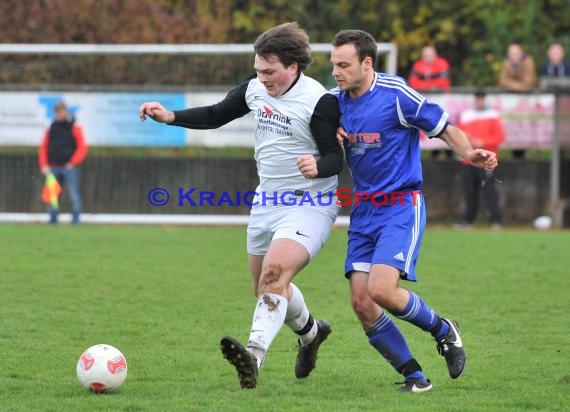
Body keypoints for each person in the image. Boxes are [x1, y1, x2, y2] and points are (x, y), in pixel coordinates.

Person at [139, 22, 343, 389]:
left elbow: (334, 157)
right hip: (266, 201)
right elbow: (216, 114)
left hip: (310, 201)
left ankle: (254, 356)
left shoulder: (320, 100)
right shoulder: (253, 89)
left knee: (274, 274)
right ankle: (312, 333)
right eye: (259, 69)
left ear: (293, 67)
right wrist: (170, 117)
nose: (262, 77)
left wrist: (318, 166)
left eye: (269, 70)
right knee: (266, 288)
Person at [331, 30, 498, 392]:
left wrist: (470, 154)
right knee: (362, 303)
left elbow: (444, 127)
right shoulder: (334, 102)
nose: (336, 72)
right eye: (333, 65)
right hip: (363, 210)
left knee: (381, 289)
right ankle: (415, 377)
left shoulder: (396, 95)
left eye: (343, 65)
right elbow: (316, 129)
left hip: (401, 204)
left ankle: (443, 329)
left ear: (367, 63)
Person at [456, 90, 505, 229]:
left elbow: (499, 137)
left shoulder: (493, 115)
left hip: (487, 161)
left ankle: (496, 220)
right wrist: (470, 141)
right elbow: (459, 136)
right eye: (477, 99)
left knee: (490, 190)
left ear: (484, 100)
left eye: (481, 99)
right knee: (469, 191)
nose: (479, 101)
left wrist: (482, 142)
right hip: (468, 160)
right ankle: (468, 220)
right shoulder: (466, 115)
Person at [38, 101, 88, 225]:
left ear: (65, 111)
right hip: (53, 167)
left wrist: (73, 162)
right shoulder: (51, 126)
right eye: (57, 112)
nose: (59, 114)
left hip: (69, 168)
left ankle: (75, 221)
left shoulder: (74, 126)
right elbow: (44, 146)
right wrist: (44, 164)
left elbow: (82, 147)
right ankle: (52, 220)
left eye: (61, 111)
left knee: (73, 195)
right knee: (53, 196)